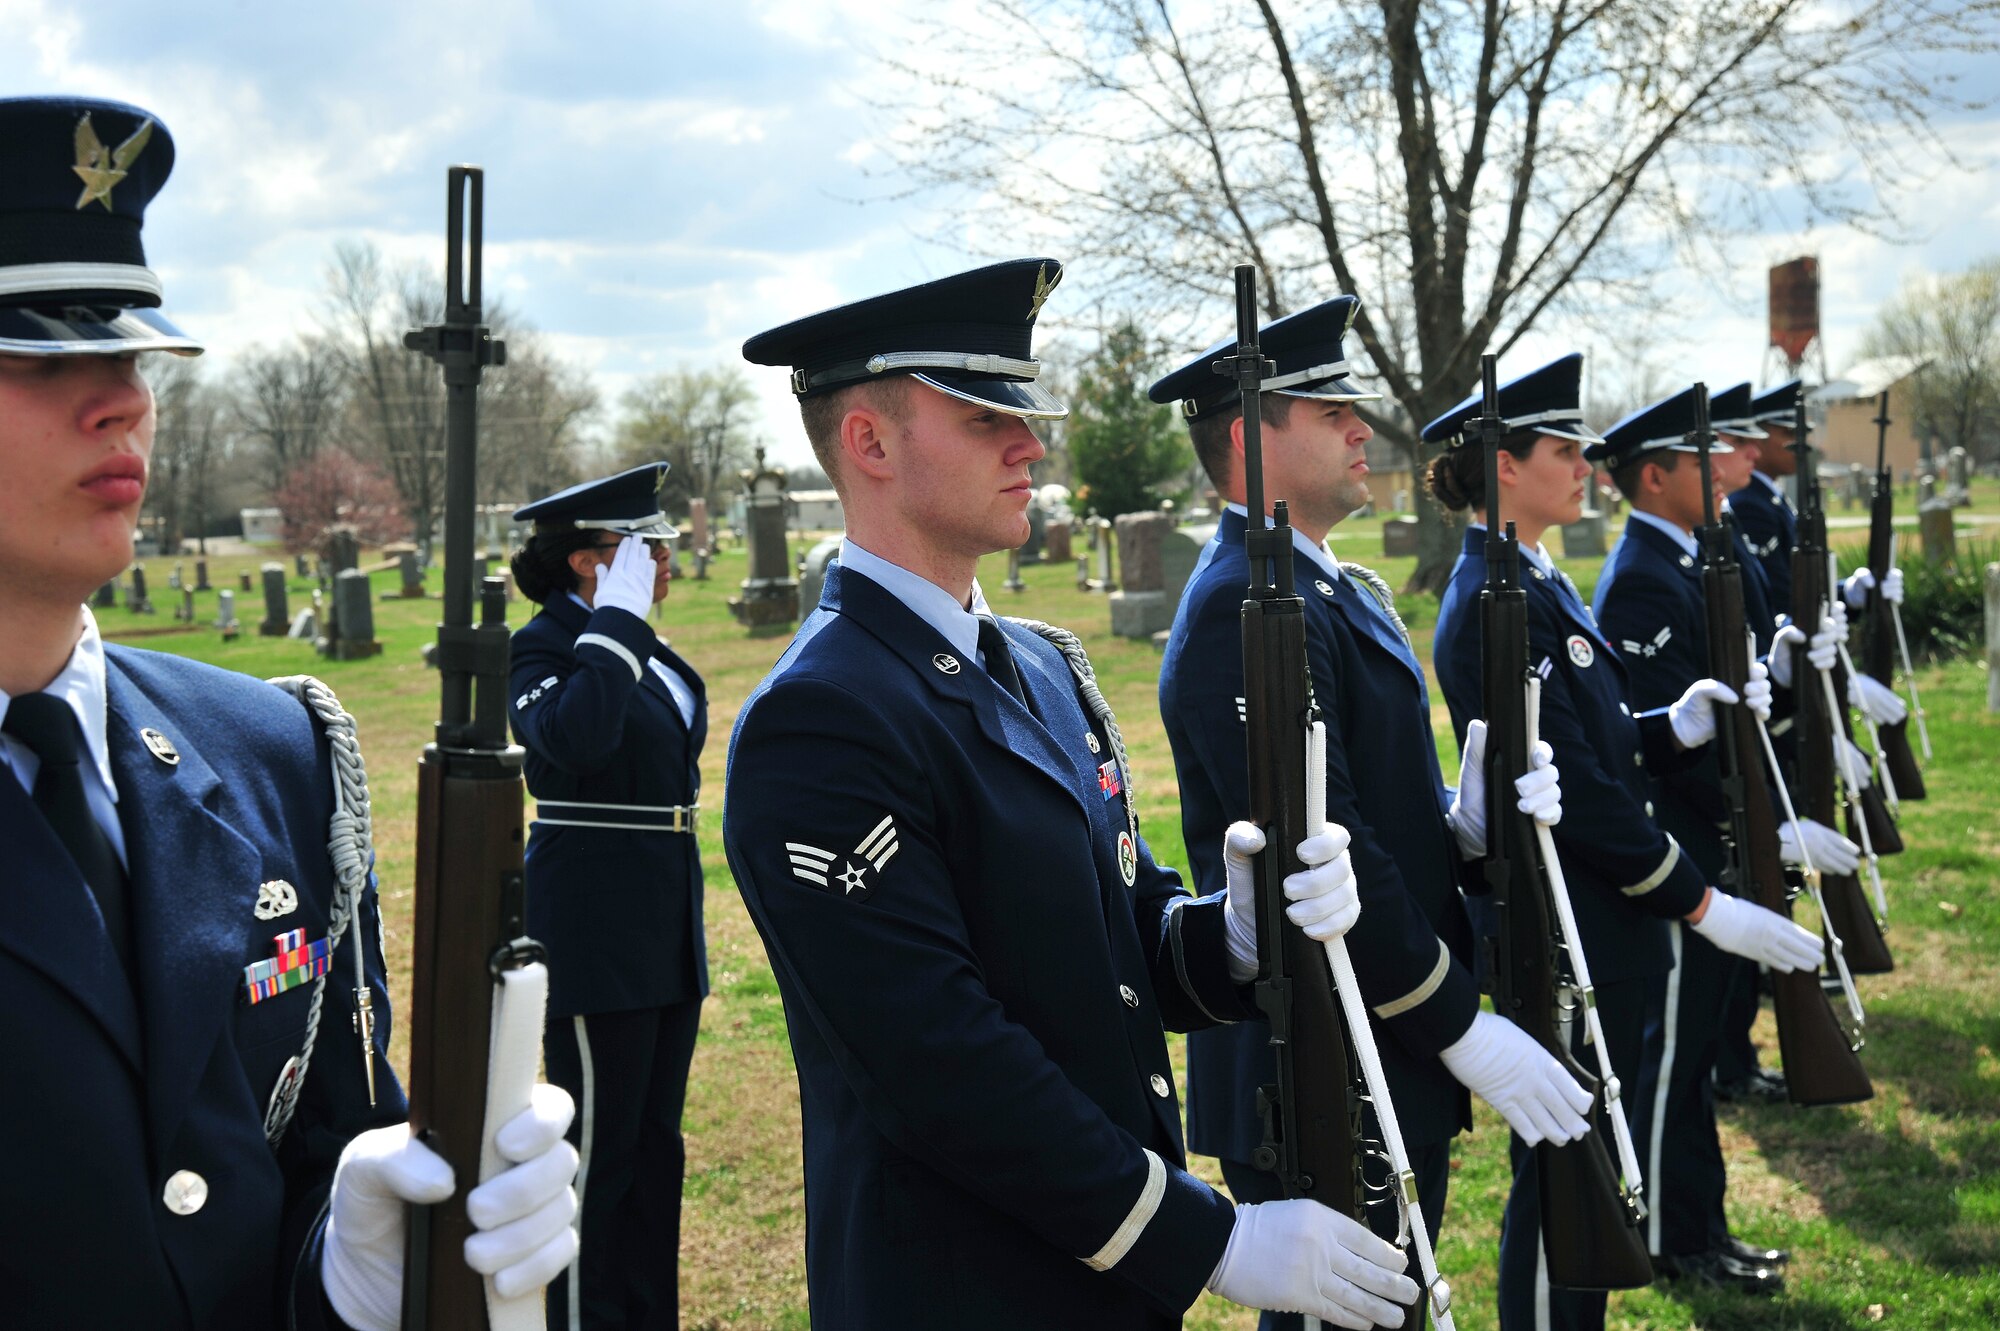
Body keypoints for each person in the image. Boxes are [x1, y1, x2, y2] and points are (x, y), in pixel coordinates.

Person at [724, 259, 1417, 1331]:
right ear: (868, 442)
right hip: (963, 1287)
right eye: (981, 416)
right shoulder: (821, 715)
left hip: (1099, 1274)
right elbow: (940, 1061)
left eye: (1023, 413)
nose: (1032, 444)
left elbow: (1111, 941)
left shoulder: (1040, 663)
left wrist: (1226, 936)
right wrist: (1212, 1236)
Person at [0, 95, 576, 1330]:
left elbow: (308, 1164)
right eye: (42, 358)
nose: (122, 402)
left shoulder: (269, 753)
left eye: (132, 354)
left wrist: (351, 1271)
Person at [1152, 298, 1589, 1331]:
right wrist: (1458, 1023)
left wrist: (1464, 830)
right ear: (1247, 432)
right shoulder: (1241, 607)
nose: (1362, 430)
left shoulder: (1337, 589)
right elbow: (1316, 845)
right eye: (1328, 408)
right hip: (1311, 1050)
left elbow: (1375, 816)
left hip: (1374, 1026)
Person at [1423, 355, 1839, 1328]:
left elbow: (1595, 743)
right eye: (1562, 450)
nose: (1583, 466)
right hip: (1562, 923)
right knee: (1561, 1174)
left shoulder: (1530, 578)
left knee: (1591, 1156)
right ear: (1502, 468)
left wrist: (1665, 724)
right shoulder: (1495, 598)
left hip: (1597, 919)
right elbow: (1575, 797)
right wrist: (1699, 899)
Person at [1588, 385, 1849, 1295]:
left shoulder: (1695, 559)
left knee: (1695, 1056)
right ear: (1654, 477)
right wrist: (1762, 828)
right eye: (1700, 459)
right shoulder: (1640, 580)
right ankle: (1669, 1234)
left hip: (1720, 837)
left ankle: (1702, 1223)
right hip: (1684, 844)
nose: (1723, 470)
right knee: (1674, 1061)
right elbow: (1660, 757)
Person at [507, 463, 709, 1331]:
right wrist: (618, 618)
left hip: (662, 918)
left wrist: (628, 625)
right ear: (592, 561)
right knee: (598, 1151)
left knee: (655, 1148)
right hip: (593, 924)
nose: (666, 563)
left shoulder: (639, 645)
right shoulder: (544, 645)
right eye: (648, 549)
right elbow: (573, 742)